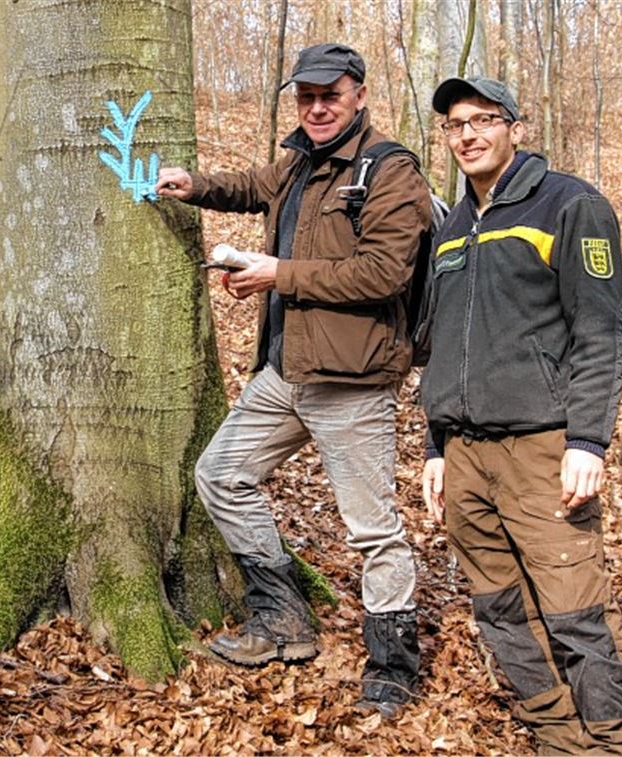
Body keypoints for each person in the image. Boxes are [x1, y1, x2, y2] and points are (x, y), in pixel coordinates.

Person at [155, 43, 431, 719]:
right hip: (286, 372)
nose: (317, 108)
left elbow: (383, 273)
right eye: (306, 97)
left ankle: (393, 663)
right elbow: (254, 186)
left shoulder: (389, 170)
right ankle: (282, 620)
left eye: (330, 95)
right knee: (221, 474)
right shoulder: (300, 161)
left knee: (373, 530)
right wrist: (195, 184)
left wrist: (278, 274)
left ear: (359, 95)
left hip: (353, 379)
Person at [420, 76, 622, 754]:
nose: (468, 134)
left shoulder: (570, 205)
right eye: (456, 124)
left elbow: (602, 331)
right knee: (499, 610)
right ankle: (559, 737)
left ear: (516, 129)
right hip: (464, 456)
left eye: (484, 119)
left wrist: (588, 441)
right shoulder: (452, 227)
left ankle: (614, 741)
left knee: (575, 610)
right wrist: (435, 447)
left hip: (543, 449)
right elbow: (440, 342)